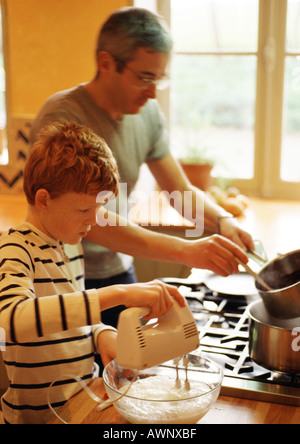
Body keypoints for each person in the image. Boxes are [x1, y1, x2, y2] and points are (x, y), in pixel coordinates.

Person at [30, 7, 253, 329]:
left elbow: (180, 192)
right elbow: (89, 218)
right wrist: (187, 251)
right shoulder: (62, 118)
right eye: (145, 77)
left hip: (120, 270)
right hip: (65, 279)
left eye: (158, 80)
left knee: (128, 371)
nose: (152, 93)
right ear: (106, 64)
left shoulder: (145, 115)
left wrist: (223, 222)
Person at [0, 121, 184, 424]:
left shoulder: (69, 244)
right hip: (35, 419)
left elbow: (68, 317)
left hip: (80, 405)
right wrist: (117, 294)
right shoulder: (15, 249)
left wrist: (99, 334)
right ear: (44, 199)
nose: (93, 221)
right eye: (84, 210)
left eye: (98, 210)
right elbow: (12, 320)